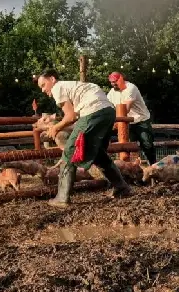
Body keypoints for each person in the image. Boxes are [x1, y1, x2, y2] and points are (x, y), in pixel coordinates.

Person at [37, 69, 132, 207]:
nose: (43, 90)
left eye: (43, 85)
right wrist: (60, 124)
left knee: (69, 151)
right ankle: (122, 187)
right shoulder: (74, 86)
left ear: (52, 79)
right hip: (108, 113)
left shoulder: (58, 88)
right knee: (99, 154)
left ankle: (62, 197)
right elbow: (75, 119)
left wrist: (55, 128)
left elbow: (70, 117)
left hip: (93, 113)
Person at [106, 72, 158, 164]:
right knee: (128, 147)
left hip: (141, 120)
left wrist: (116, 121)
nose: (113, 84)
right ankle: (131, 168)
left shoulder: (131, 88)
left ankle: (153, 165)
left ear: (121, 79)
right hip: (126, 123)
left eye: (115, 81)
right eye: (111, 82)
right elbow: (108, 107)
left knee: (147, 144)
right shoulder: (111, 93)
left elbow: (126, 108)